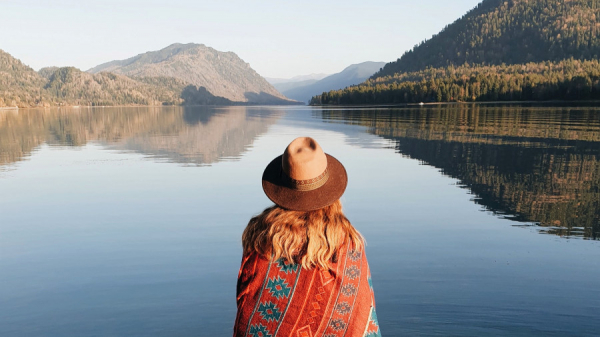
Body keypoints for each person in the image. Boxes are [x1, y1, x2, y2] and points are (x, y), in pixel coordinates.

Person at [233, 137, 381, 337]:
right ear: (329, 190)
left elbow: (246, 298)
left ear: (283, 188)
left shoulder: (260, 237)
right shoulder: (347, 242)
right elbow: (361, 316)